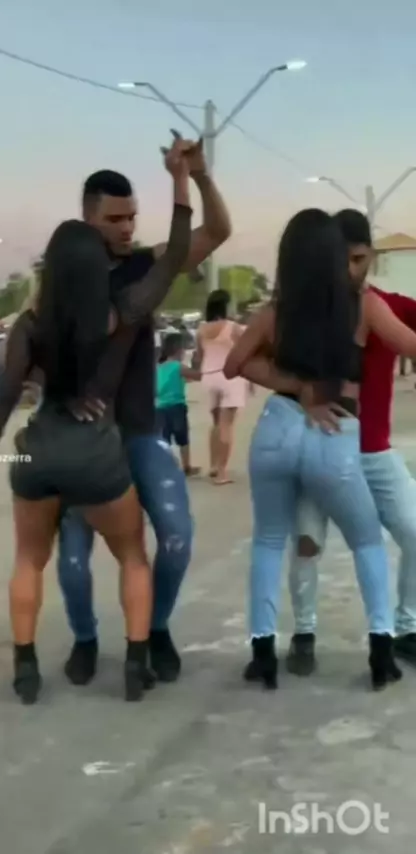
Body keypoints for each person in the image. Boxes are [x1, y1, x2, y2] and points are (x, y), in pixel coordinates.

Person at [0, 141, 193, 706]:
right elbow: (175, 255)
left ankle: (25, 669)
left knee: (29, 559)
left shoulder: (29, 324)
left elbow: (5, 393)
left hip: (39, 451)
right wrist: (181, 182)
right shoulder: (122, 314)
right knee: (132, 555)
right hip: (97, 453)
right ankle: (136, 664)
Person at [57, 133, 231, 688]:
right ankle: (85, 638)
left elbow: (216, 232)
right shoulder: (62, 280)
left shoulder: (143, 267)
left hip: (139, 432)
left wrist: (197, 175)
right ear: (88, 220)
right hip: (83, 442)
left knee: (177, 537)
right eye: (115, 219)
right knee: (74, 559)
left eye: (132, 216)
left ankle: (154, 628)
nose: (127, 227)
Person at [224, 207, 416, 692]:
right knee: (364, 542)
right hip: (336, 435)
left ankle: (263, 651)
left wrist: (297, 387)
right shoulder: (362, 306)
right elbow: (411, 344)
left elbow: (234, 364)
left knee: (271, 542)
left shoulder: (278, 311)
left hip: (280, 429)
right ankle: (379, 649)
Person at [196, 289, 247, 484]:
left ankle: (213, 465)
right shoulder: (233, 328)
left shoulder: (201, 330)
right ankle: (222, 473)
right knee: (227, 425)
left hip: (209, 377)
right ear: (225, 306)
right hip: (229, 378)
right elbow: (244, 353)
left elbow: (200, 356)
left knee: (216, 423)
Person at [156, 332, 201, 475]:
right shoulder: (178, 367)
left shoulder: (158, 367)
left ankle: (165, 466)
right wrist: (197, 363)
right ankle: (187, 466)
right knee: (182, 437)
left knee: (164, 438)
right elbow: (198, 376)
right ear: (178, 350)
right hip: (176, 406)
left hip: (159, 408)